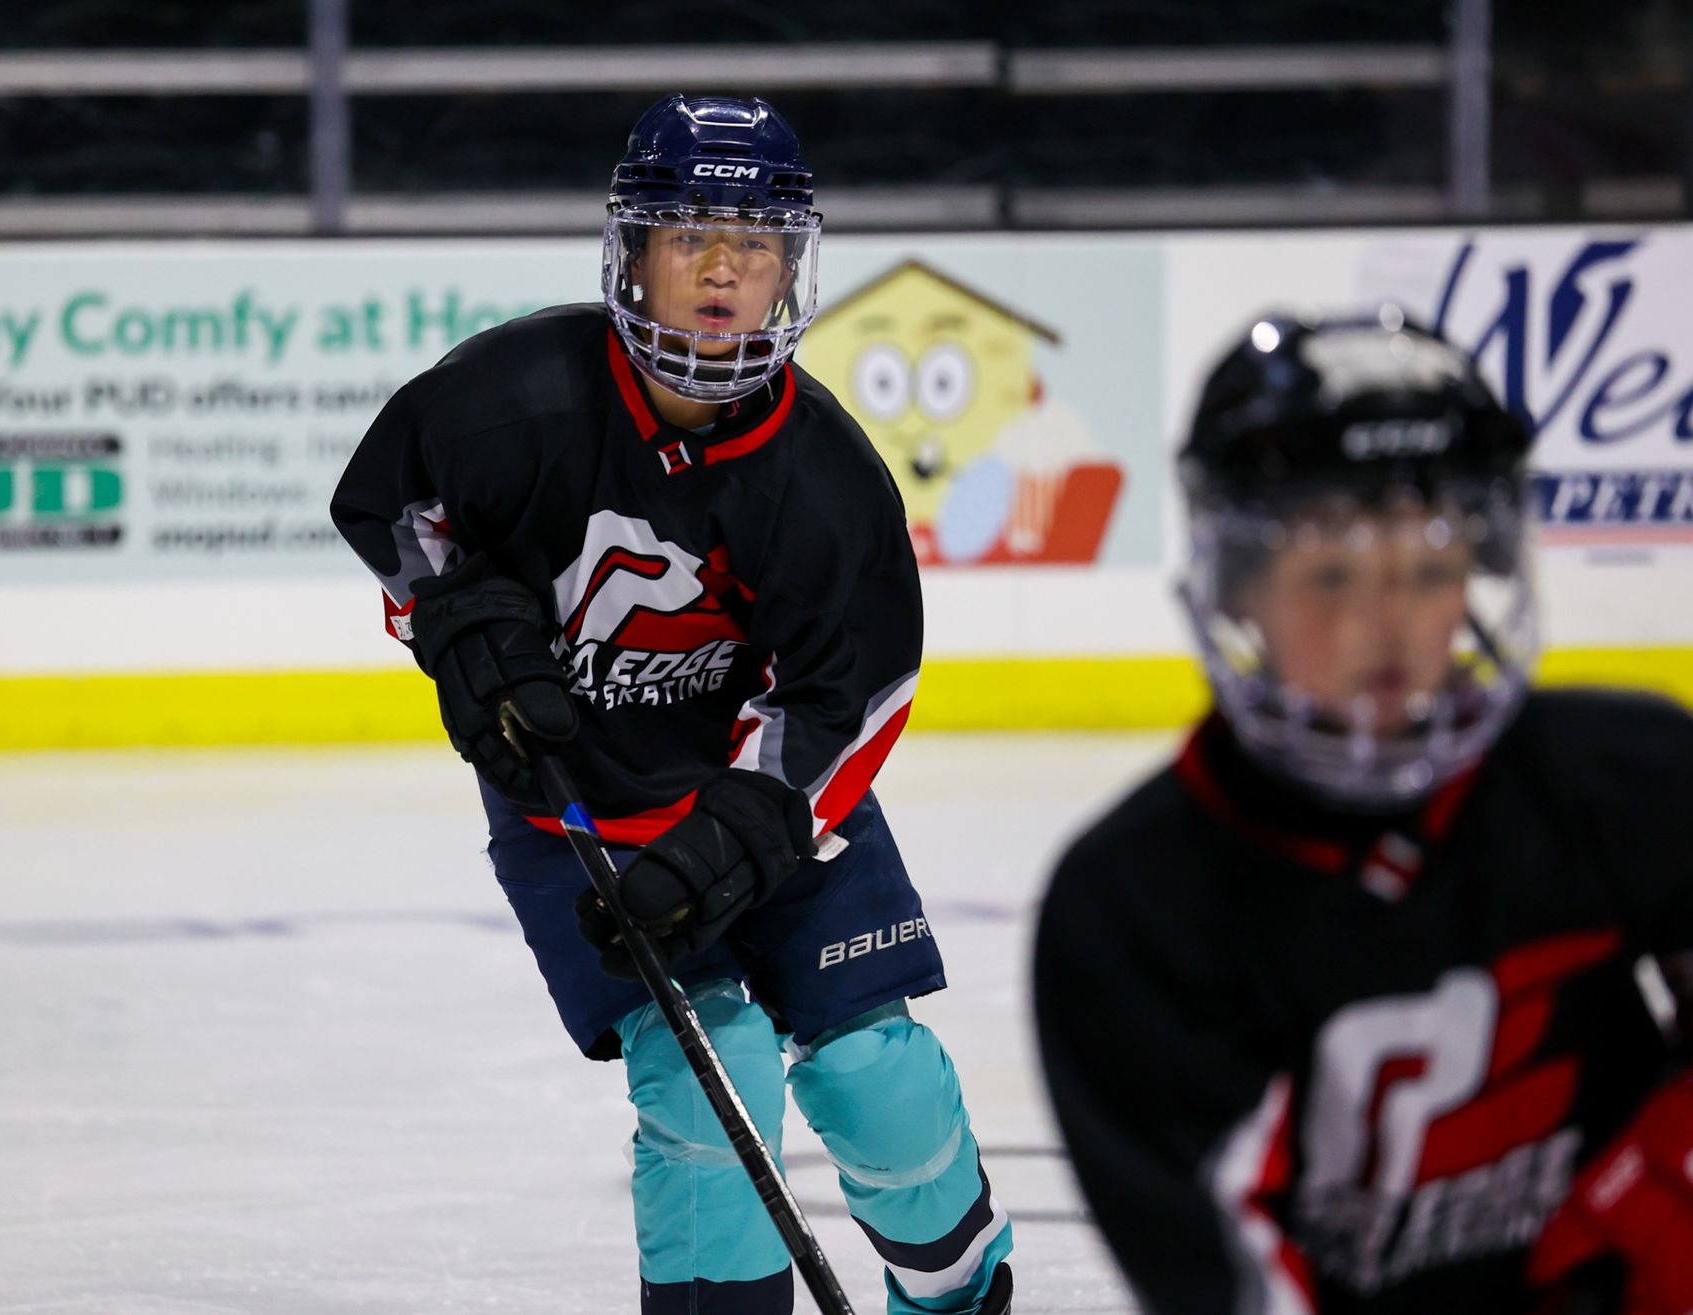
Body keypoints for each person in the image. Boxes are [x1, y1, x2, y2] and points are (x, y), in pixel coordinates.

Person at [331, 94, 1014, 1315]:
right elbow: (391, 507)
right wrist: (465, 626)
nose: (720, 267)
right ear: (630, 252)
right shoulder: (515, 395)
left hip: (771, 809)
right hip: (576, 814)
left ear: (788, 268)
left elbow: (849, 691)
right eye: (689, 230)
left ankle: (961, 1301)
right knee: (712, 1072)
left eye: (753, 240)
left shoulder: (825, 476)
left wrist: (751, 822)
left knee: (876, 1075)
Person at [1033, 311, 1693, 1315]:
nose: (1384, 625)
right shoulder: (1135, 913)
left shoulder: (1631, 779)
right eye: (1331, 574)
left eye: (1429, 573)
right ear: (1240, 590)